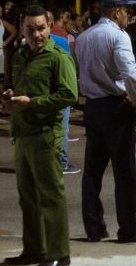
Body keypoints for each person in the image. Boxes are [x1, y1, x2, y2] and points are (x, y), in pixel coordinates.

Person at [74, 0, 136, 243]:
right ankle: (129, 228)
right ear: (117, 11)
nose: (128, 15)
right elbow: (130, 74)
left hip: (93, 106)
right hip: (116, 107)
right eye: (126, 11)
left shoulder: (83, 37)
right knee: (124, 171)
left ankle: (93, 227)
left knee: (92, 172)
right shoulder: (118, 36)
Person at [3, 5, 77, 266]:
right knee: (28, 197)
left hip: (46, 136)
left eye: (41, 28)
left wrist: (32, 102)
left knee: (50, 196)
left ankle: (59, 254)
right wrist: (10, 95)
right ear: (22, 28)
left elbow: (69, 95)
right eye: (30, 29)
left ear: (50, 25)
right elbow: (18, 87)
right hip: (22, 135)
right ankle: (34, 250)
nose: (36, 34)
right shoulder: (21, 55)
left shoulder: (58, 56)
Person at [46, 11, 81, 175]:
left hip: (57, 92)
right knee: (60, 129)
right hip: (55, 94)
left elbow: (68, 66)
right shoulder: (61, 39)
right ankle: (62, 164)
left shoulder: (58, 40)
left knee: (56, 130)